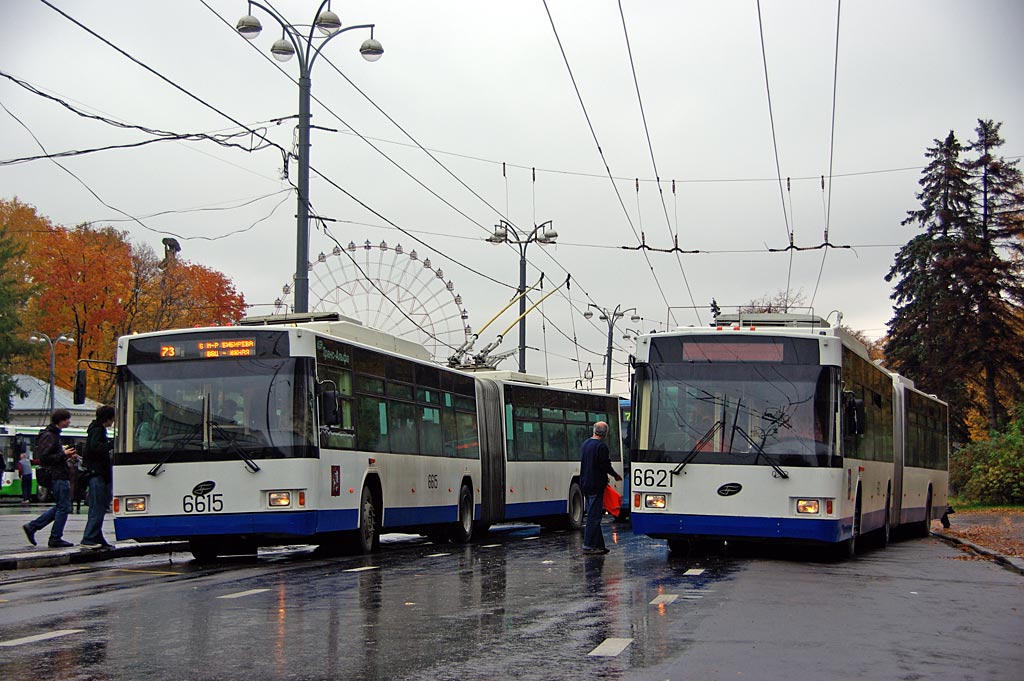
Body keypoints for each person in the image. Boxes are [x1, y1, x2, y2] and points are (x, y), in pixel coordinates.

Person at [23, 409, 78, 548]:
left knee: (62, 506)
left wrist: (65, 455)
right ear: (61, 420)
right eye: (67, 419)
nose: (69, 422)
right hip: (57, 475)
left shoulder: (53, 435)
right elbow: (45, 458)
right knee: (64, 507)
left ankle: (33, 527)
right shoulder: (50, 435)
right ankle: (54, 537)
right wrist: (64, 454)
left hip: (59, 474)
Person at [579, 421, 622, 555]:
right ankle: (589, 545)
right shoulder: (601, 447)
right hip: (596, 484)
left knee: (593, 513)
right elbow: (605, 465)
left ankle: (599, 545)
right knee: (594, 516)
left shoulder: (586, 444)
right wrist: (615, 475)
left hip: (585, 483)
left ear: (594, 431)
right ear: (605, 434)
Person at [81, 405, 116, 549]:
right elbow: (95, 448)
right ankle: (89, 537)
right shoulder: (97, 430)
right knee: (97, 507)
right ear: (107, 418)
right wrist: (111, 444)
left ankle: (97, 536)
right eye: (112, 418)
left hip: (98, 473)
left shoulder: (96, 429)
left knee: (100, 507)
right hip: (97, 474)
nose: (113, 421)